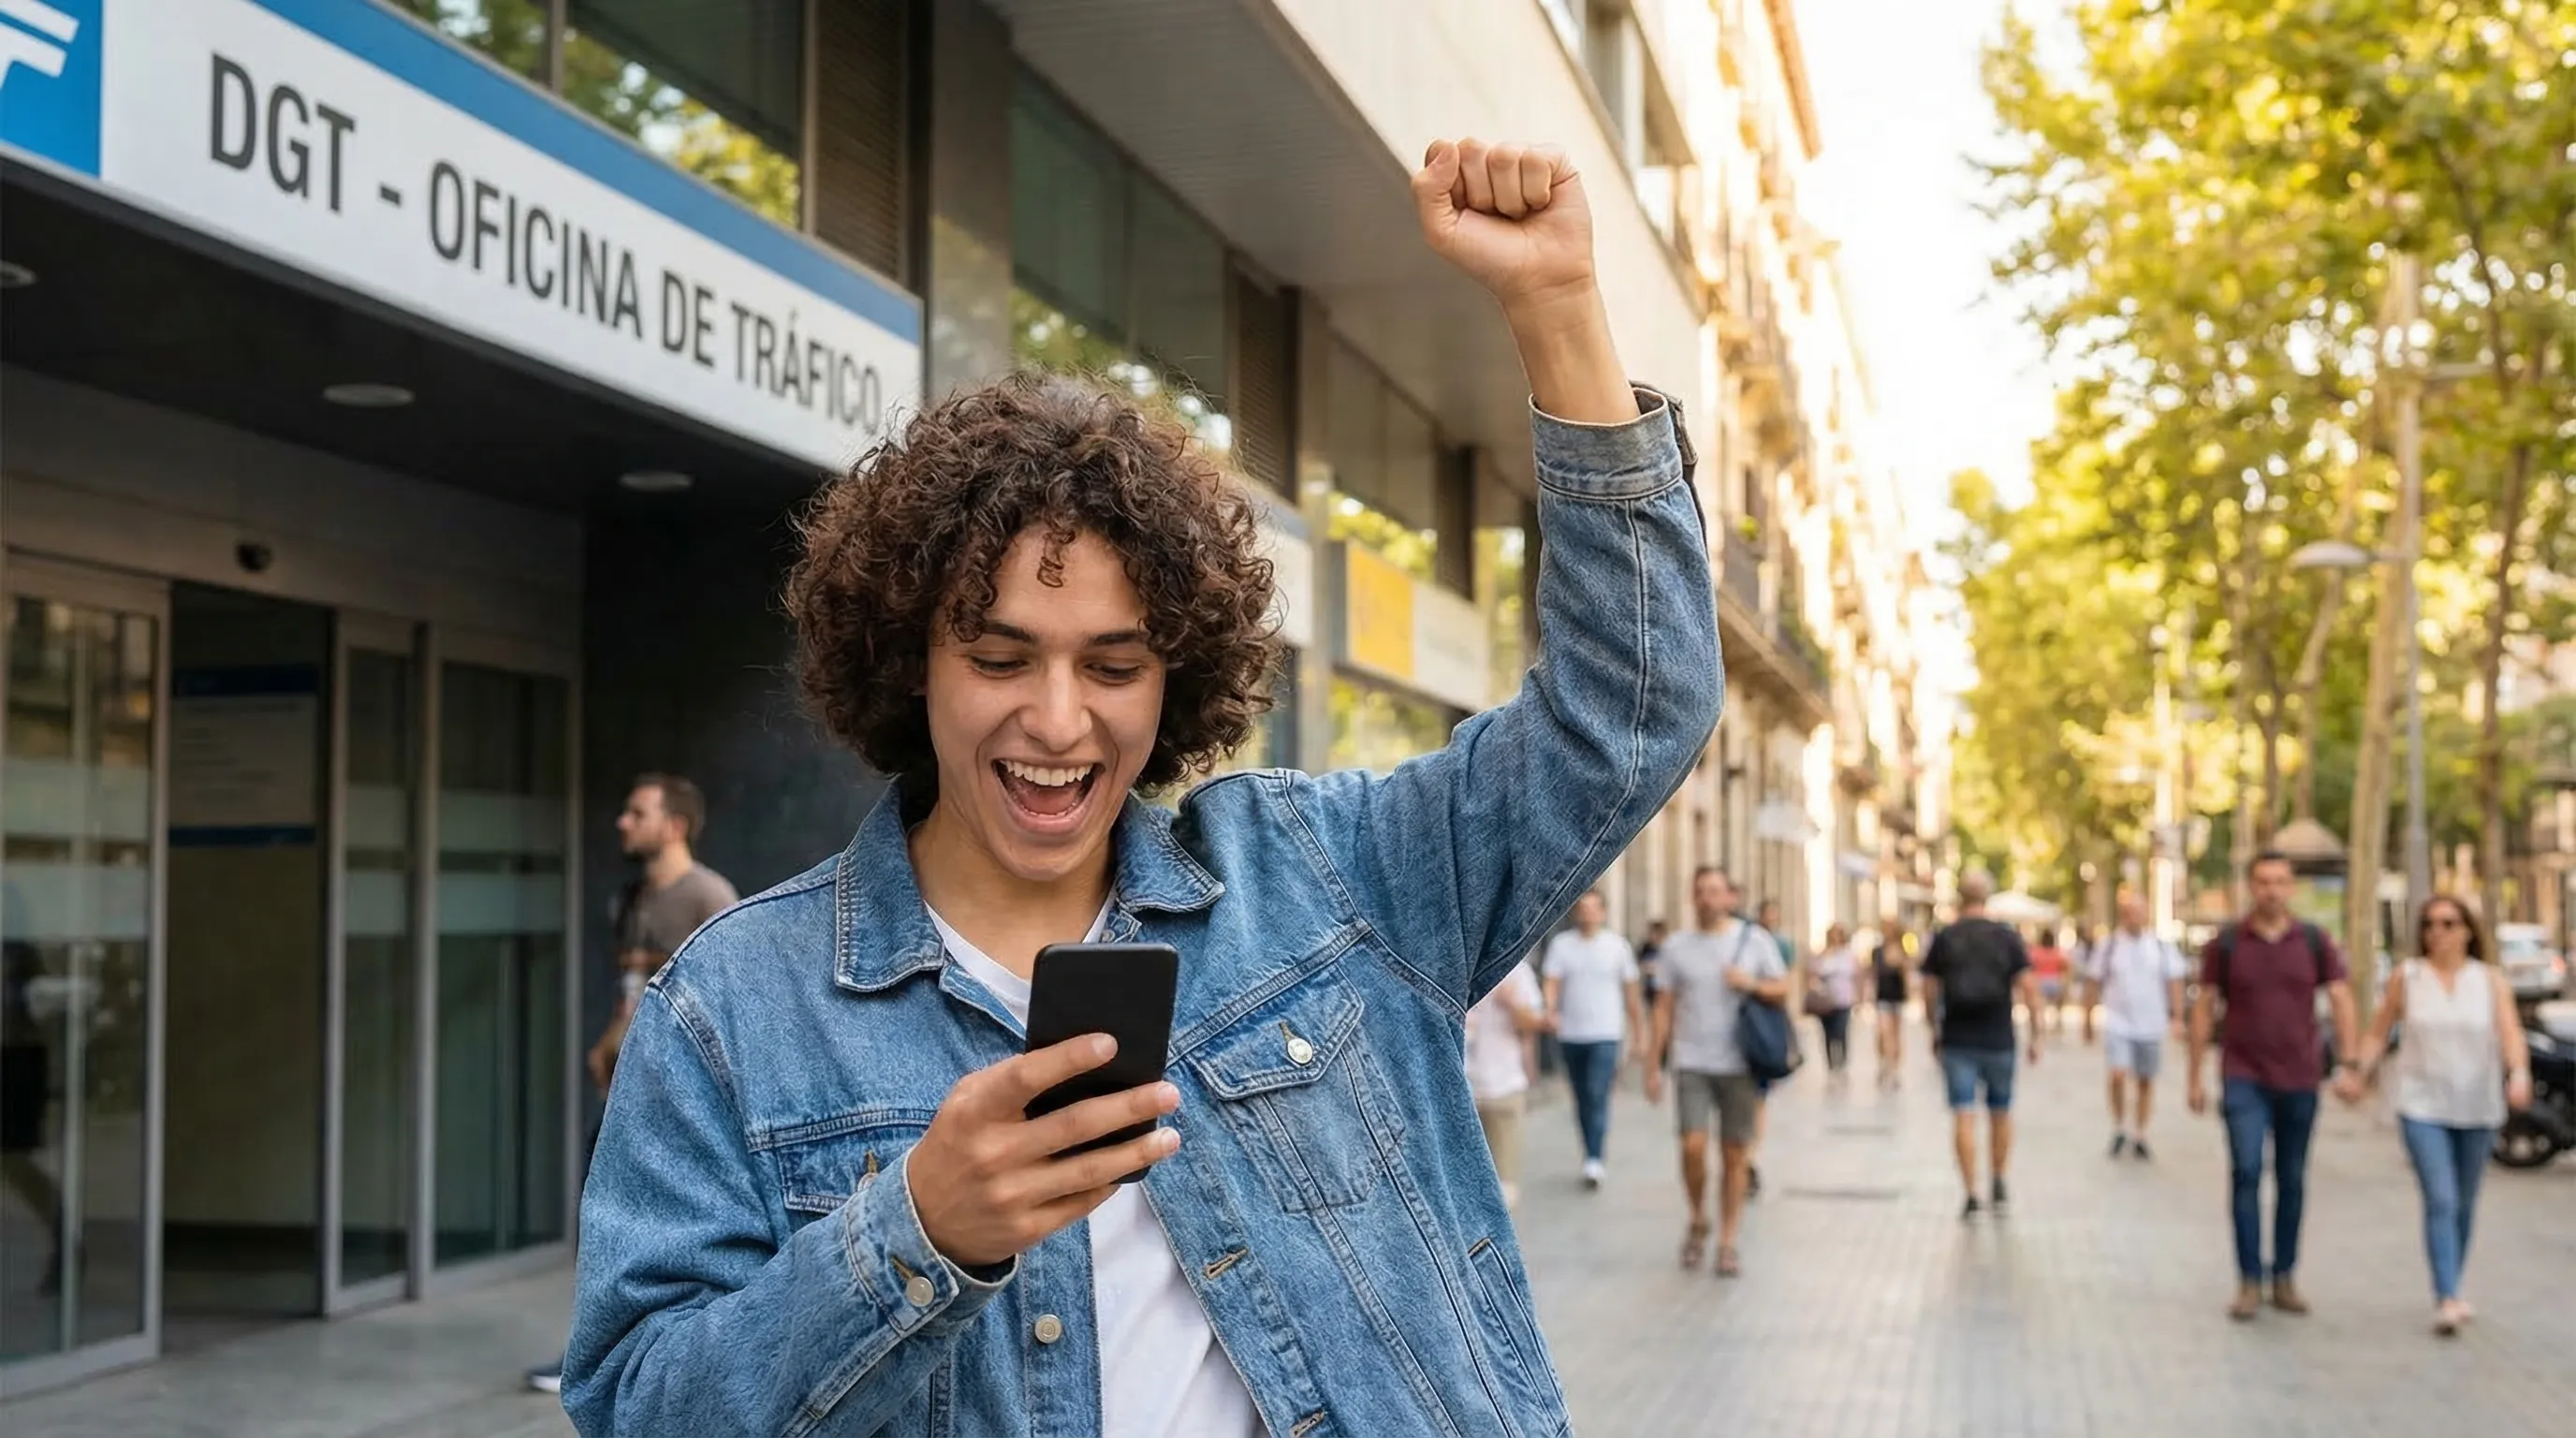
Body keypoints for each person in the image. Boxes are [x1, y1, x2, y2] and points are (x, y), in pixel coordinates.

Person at [562, 138, 1722, 1438]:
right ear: (910, 664)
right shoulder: (734, 1012)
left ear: (1179, 677)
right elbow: (639, 1409)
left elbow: (1630, 710)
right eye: (1000, 657)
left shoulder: (1334, 880)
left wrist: (1557, 311)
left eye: (1113, 665)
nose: (1058, 720)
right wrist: (915, 1232)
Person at [530, 773, 739, 1395]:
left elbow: (730, 1001)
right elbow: (631, 994)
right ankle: (594, 1351)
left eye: (637, 812)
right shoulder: (631, 900)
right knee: (606, 1216)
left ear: (675, 825)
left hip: (687, 1096)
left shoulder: (710, 898)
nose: (623, 822)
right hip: (630, 1085)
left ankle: (672, 1360)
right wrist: (608, 1041)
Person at [2187, 850, 2362, 1323]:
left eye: (2281, 881)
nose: (2272, 890)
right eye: (2264, 881)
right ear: (2251, 886)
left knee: (2292, 1178)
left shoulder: (2313, 941)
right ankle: (2248, 1279)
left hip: (2301, 1077)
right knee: (2245, 1171)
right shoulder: (2226, 943)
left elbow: (2341, 998)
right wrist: (2194, 1076)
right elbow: (2204, 1006)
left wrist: (2350, 1063)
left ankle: (2284, 1275)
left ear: (2292, 888)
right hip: (2243, 1075)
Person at [2351, 896, 2533, 1337]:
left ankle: (2453, 1279)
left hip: (2477, 1105)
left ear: (2468, 930)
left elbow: (2509, 1031)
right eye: (2430, 924)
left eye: (2449, 923)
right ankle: (2447, 1294)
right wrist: (2358, 1071)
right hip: (2421, 1104)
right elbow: (2378, 1032)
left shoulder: (2489, 980)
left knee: (2465, 1202)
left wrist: (2519, 1073)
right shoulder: (2407, 978)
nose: (2439, 932)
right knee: (2442, 1198)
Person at [1645, 867, 1787, 1277]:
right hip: (1692, 1063)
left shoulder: (1754, 940)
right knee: (1691, 1146)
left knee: (1735, 1155)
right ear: (1693, 898)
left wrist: (1750, 984)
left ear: (1730, 897)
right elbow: (1663, 1009)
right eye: (1700, 891)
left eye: (1715, 891)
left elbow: (1782, 988)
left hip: (1740, 1064)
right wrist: (1654, 1064)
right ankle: (1697, 1217)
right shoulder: (1676, 947)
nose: (1707, 898)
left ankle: (1727, 1240)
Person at [1920, 871, 2041, 1220]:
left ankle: (1972, 1191)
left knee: (1963, 1113)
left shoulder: (1946, 937)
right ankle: (1999, 1177)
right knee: (2000, 1111)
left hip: (1958, 1037)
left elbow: (1928, 989)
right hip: (1999, 1037)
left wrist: (1933, 1027)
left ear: (1959, 897)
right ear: (1986, 897)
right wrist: (2037, 1033)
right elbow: (2029, 988)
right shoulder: (2006, 937)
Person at [1541, 890, 1646, 1187]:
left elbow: (1631, 994)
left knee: (1597, 1092)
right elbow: (1552, 982)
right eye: (1582, 908)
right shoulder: (1562, 946)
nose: (1588, 913)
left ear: (1603, 912)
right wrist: (1549, 1010)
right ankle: (1589, 1149)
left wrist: (1639, 1035)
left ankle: (1595, 1159)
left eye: (1593, 908)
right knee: (1582, 1097)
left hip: (1606, 1034)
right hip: (1572, 1034)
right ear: (1575, 912)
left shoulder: (1617, 947)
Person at [2089, 893, 2187, 1160]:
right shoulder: (2109, 946)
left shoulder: (2160, 947)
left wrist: (2177, 1017)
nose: (2134, 916)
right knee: (2118, 1074)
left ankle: (2140, 1132)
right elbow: (2093, 981)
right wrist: (2088, 1017)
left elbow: (2174, 982)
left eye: (2139, 911)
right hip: (2118, 1023)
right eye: (2129, 911)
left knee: (2146, 1080)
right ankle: (2119, 1125)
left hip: (2151, 1023)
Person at [1466, 956, 1554, 1210]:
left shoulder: (1516, 970)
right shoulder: (1455, 965)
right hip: (1460, 1089)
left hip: (1503, 1087)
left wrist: (1511, 1003)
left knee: (1504, 1190)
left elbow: (1534, 1024)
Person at [1806, 923, 1860, 1083]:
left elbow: (1857, 975)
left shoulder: (1849, 954)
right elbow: (1813, 972)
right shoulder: (1824, 954)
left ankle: (1842, 1062)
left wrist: (1859, 997)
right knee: (1827, 1032)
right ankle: (1830, 1063)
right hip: (1826, 1000)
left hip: (1844, 999)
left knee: (1841, 1030)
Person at [1871, 932, 1910, 1091]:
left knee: (1895, 1035)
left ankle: (1894, 1068)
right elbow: (1873, 974)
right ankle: (1884, 1063)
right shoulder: (1878, 952)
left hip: (1897, 999)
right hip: (1882, 998)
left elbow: (1906, 975)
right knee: (1883, 1033)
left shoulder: (1902, 951)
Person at [2029, 927, 2071, 1035]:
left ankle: (2042, 1025)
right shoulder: (2057, 952)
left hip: (2040, 980)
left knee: (2041, 1006)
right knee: (2057, 1005)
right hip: (2055, 980)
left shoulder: (2036, 952)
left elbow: (2031, 966)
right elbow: (2065, 965)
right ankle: (2057, 1022)